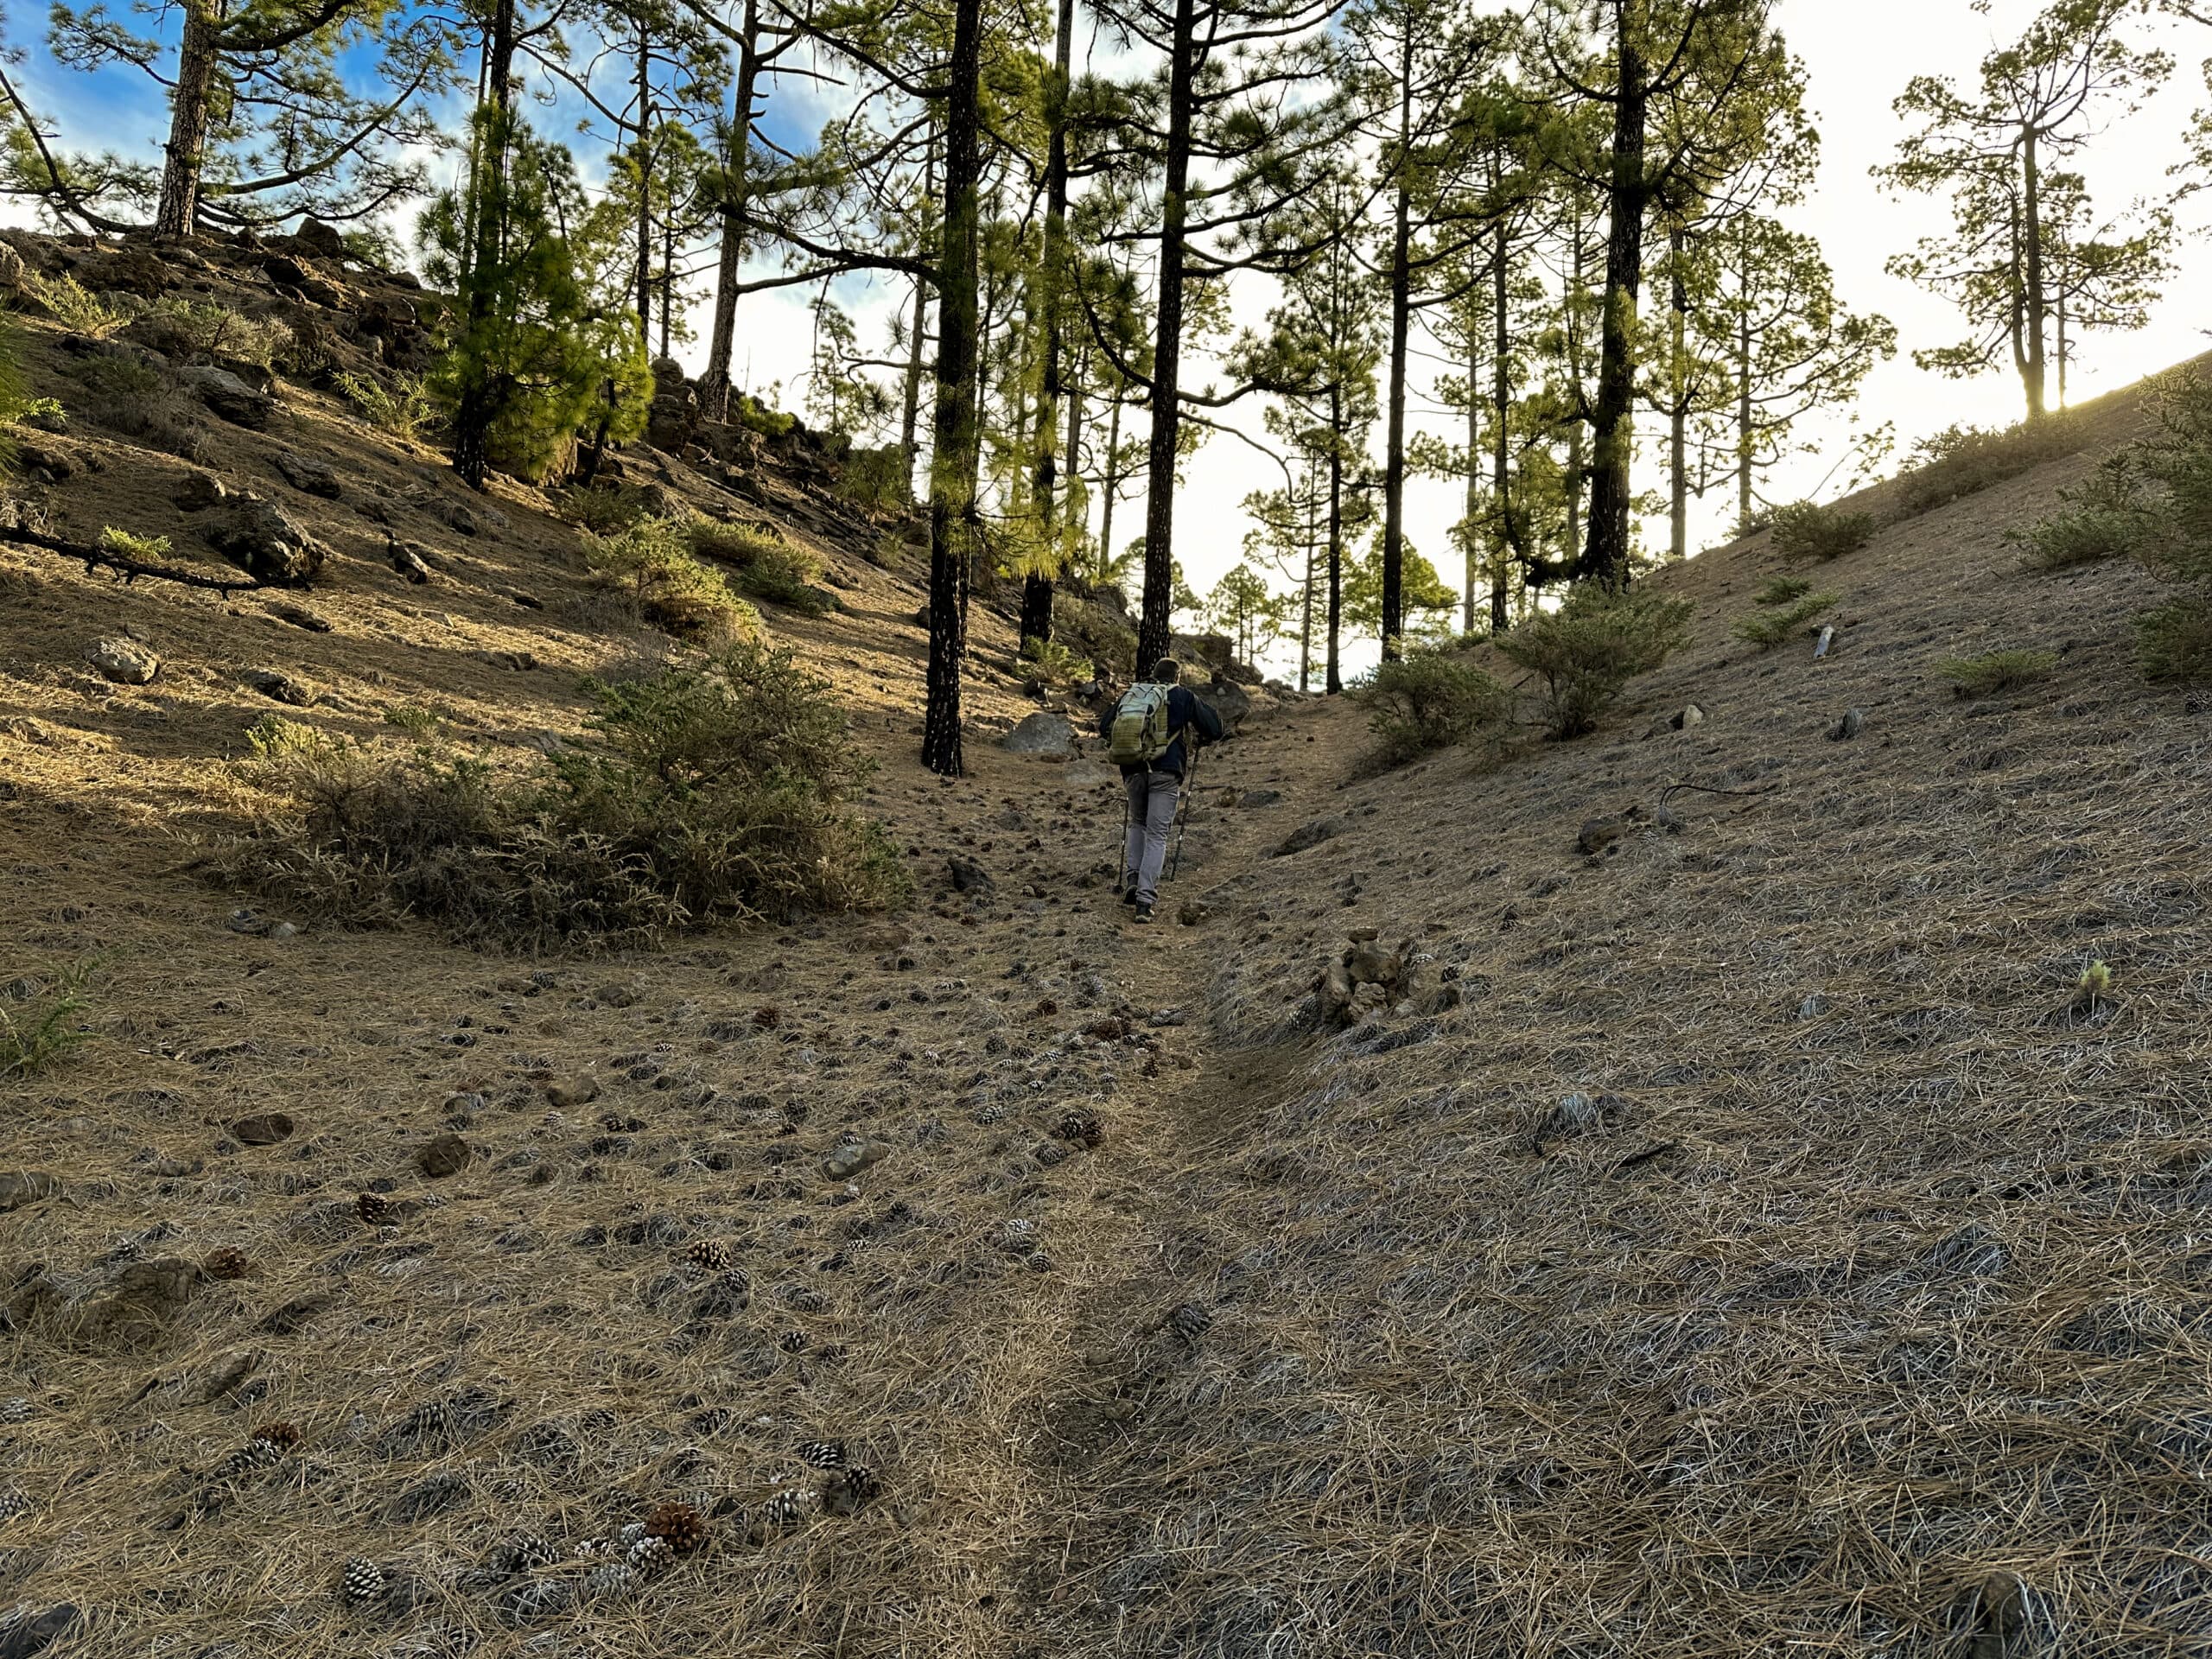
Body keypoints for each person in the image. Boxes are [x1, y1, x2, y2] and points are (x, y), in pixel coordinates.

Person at [1098, 657, 1224, 924]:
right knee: (1157, 834)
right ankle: (1144, 902)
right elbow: (1215, 728)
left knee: (1138, 822)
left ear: (1153, 674)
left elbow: (1104, 725)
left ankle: (1133, 878)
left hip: (1132, 768)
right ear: (1177, 677)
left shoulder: (1134, 693)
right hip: (1166, 771)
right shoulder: (1182, 696)